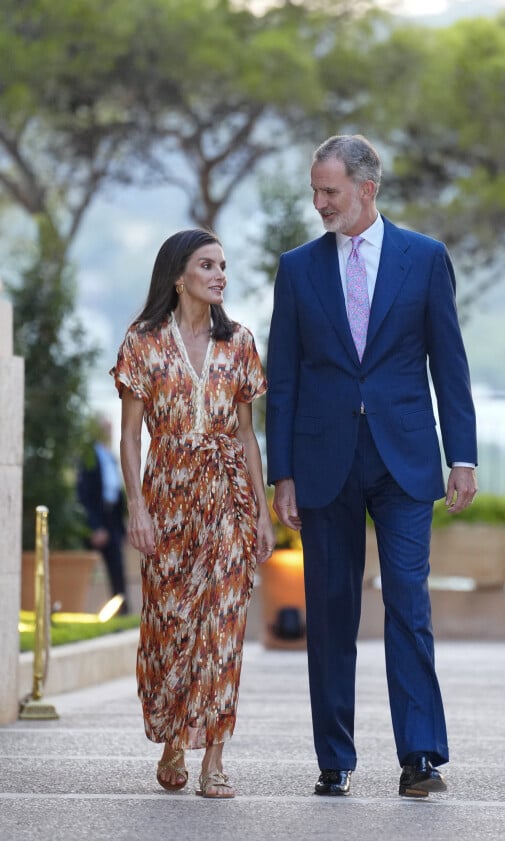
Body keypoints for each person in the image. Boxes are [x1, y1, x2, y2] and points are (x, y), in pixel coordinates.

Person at [266, 135, 477, 798]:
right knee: (328, 611)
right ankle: (335, 756)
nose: (319, 202)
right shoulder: (297, 268)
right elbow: (284, 379)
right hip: (323, 459)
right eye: (314, 190)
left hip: (406, 459)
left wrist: (462, 454)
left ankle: (421, 755)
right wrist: (284, 472)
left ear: (367, 189)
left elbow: (449, 361)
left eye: (329, 191)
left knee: (407, 602)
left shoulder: (424, 258)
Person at [110, 228, 275, 799]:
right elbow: (130, 439)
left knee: (224, 627)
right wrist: (137, 505)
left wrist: (261, 515)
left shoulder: (241, 342)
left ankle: (215, 758)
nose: (220, 275)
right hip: (167, 496)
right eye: (208, 265)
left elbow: (249, 438)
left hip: (228, 495)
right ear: (179, 275)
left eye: (224, 265)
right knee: (169, 623)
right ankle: (175, 739)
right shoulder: (143, 343)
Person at [77, 414, 130, 614]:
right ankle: (79, 610)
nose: (108, 432)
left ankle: (122, 610)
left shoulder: (110, 456)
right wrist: (95, 526)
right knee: (87, 570)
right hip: (96, 519)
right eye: (105, 428)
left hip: (112, 519)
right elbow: (85, 494)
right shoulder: (89, 456)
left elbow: (117, 494)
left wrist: (122, 529)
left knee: (118, 569)